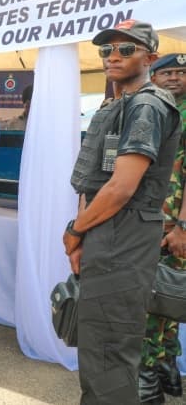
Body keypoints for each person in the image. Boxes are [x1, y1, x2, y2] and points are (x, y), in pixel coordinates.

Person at [62, 20, 180, 404]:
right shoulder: (120, 103)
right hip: (109, 235)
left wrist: (75, 231)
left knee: (109, 352)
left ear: (150, 58)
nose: (114, 56)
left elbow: (121, 187)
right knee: (97, 348)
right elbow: (96, 179)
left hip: (124, 236)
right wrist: (82, 237)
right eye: (107, 50)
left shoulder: (147, 105)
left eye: (126, 49)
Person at [139, 53, 186, 403]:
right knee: (165, 296)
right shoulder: (154, 109)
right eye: (166, 72)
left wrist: (182, 224)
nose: (174, 78)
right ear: (153, 76)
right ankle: (166, 367)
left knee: (156, 297)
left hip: (172, 224)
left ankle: (147, 381)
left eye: (181, 73)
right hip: (149, 220)